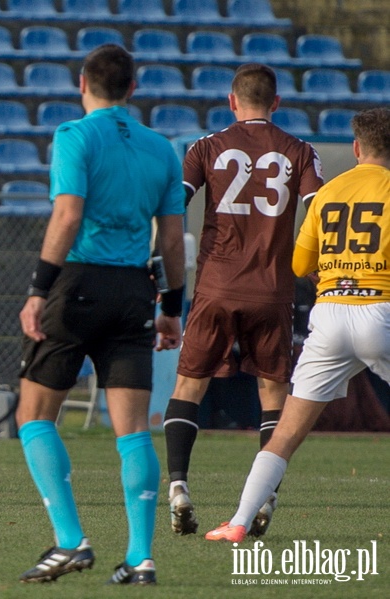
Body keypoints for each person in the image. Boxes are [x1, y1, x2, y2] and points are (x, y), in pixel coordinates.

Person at [15, 44, 186, 585]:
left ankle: (71, 541)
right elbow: (175, 237)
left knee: (35, 415)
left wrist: (38, 290)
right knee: (133, 430)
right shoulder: (162, 149)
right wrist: (172, 307)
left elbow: (68, 213)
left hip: (78, 282)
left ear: (82, 82)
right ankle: (141, 558)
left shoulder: (73, 136)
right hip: (136, 289)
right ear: (133, 89)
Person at [206, 107, 390, 542]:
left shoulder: (328, 193)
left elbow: (300, 262)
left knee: (286, 433)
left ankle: (238, 522)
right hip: (380, 308)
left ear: (356, 148)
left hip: (329, 315)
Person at [163, 63, 324, 538]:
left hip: (216, 284)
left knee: (189, 385)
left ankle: (177, 487)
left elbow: (175, 206)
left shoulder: (206, 147)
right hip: (272, 288)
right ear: (276, 103)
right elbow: (321, 213)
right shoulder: (299, 151)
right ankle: (265, 497)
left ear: (231, 102)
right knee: (273, 390)